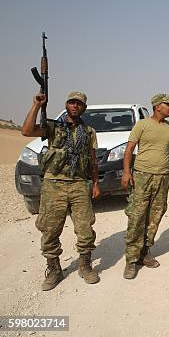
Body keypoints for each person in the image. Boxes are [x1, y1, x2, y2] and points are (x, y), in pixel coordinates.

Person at [22, 91, 101, 290]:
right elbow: (26, 131)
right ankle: (54, 269)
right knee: (50, 229)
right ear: (66, 105)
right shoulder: (53, 126)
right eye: (72, 103)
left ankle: (85, 265)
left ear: (84, 108)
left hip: (78, 184)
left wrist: (96, 183)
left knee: (85, 228)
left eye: (79, 104)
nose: (75, 106)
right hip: (53, 184)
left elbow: (92, 159)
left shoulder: (89, 131)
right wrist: (37, 105)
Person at [121, 93, 169, 279]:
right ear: (157, 107)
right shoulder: (142, 125)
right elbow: (129, 149)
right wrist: (126, 172)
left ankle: (144, 253)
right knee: (137, 216)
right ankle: (131, 260)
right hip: (142, 176)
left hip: (162, 177)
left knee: (155, 215)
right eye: (168, 105)